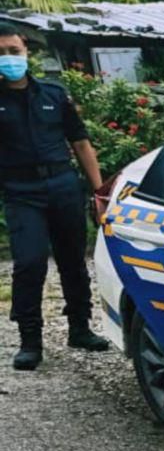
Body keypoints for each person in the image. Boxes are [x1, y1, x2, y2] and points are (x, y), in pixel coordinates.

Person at [0, 22, 109, 371]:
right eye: (1, 53)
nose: (8, 58)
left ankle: (80, 328)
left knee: (73, 261)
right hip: (21, 192)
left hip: (62, 185)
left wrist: (99, 192)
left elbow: (80, 143)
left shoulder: (54, 94)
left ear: (27, 51)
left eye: (13, 51)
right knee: (29, 263)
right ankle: (30, 341)